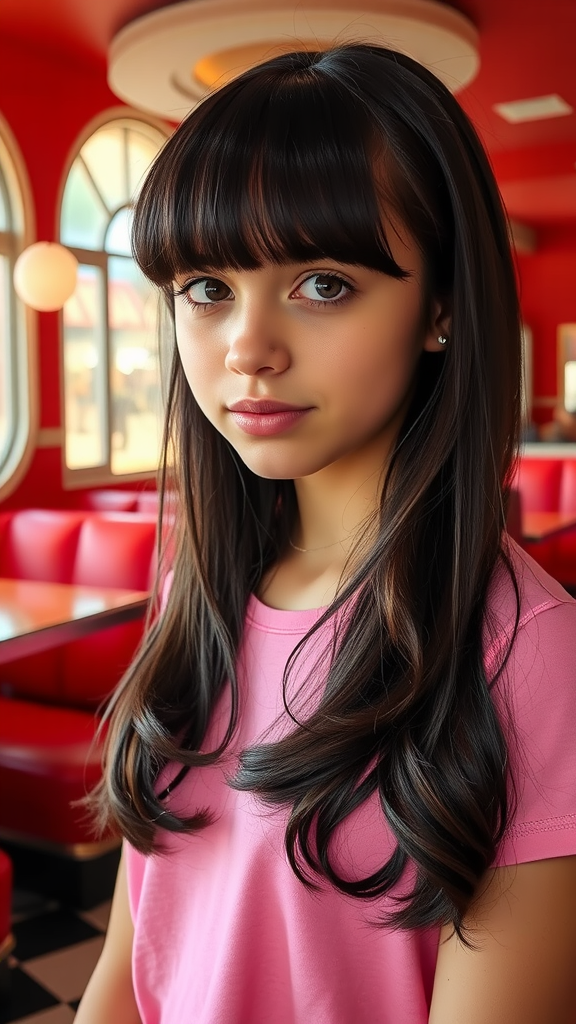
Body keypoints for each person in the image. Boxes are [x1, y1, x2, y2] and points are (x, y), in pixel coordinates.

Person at [75, 44, 576, 1024]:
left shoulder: (525, 650)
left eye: (323, 283)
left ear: (438, 306)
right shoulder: (198, 587)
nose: (247, 348)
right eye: (208, 288)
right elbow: (129, 972)